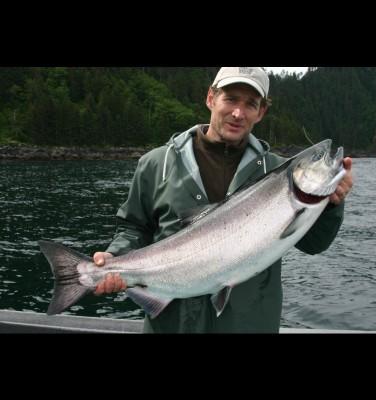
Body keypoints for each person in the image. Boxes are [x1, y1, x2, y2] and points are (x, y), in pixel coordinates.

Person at [92, 67, 354, 333]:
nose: (238, 113)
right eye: (230, 99)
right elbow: (133, 228)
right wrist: (114, 257)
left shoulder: (276, 170)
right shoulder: (155, 164)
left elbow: (314, 244)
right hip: (172, 326)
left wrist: (332, 204)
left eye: (250, 104)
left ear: (261, 112)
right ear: (211, 98)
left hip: (251, 325)